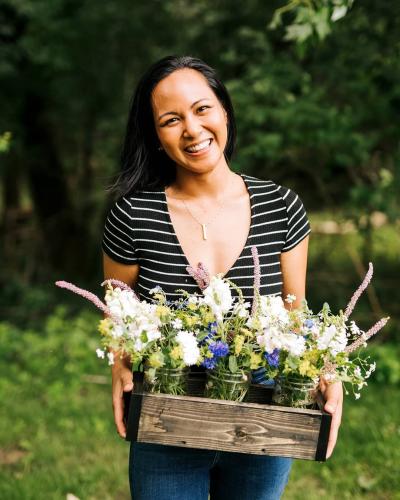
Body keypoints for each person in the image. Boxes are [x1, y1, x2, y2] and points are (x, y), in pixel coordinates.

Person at [102, 55, 343, 500]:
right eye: (171, 120)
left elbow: (295, 314)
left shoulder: (281, 206)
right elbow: (119, 310)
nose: (192, 129)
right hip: (167, 417)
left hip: (264, 417)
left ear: (224, 112)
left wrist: (327, 372)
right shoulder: (133, 215)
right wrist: (120, 366)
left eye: (202, 109)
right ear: (156, 137)